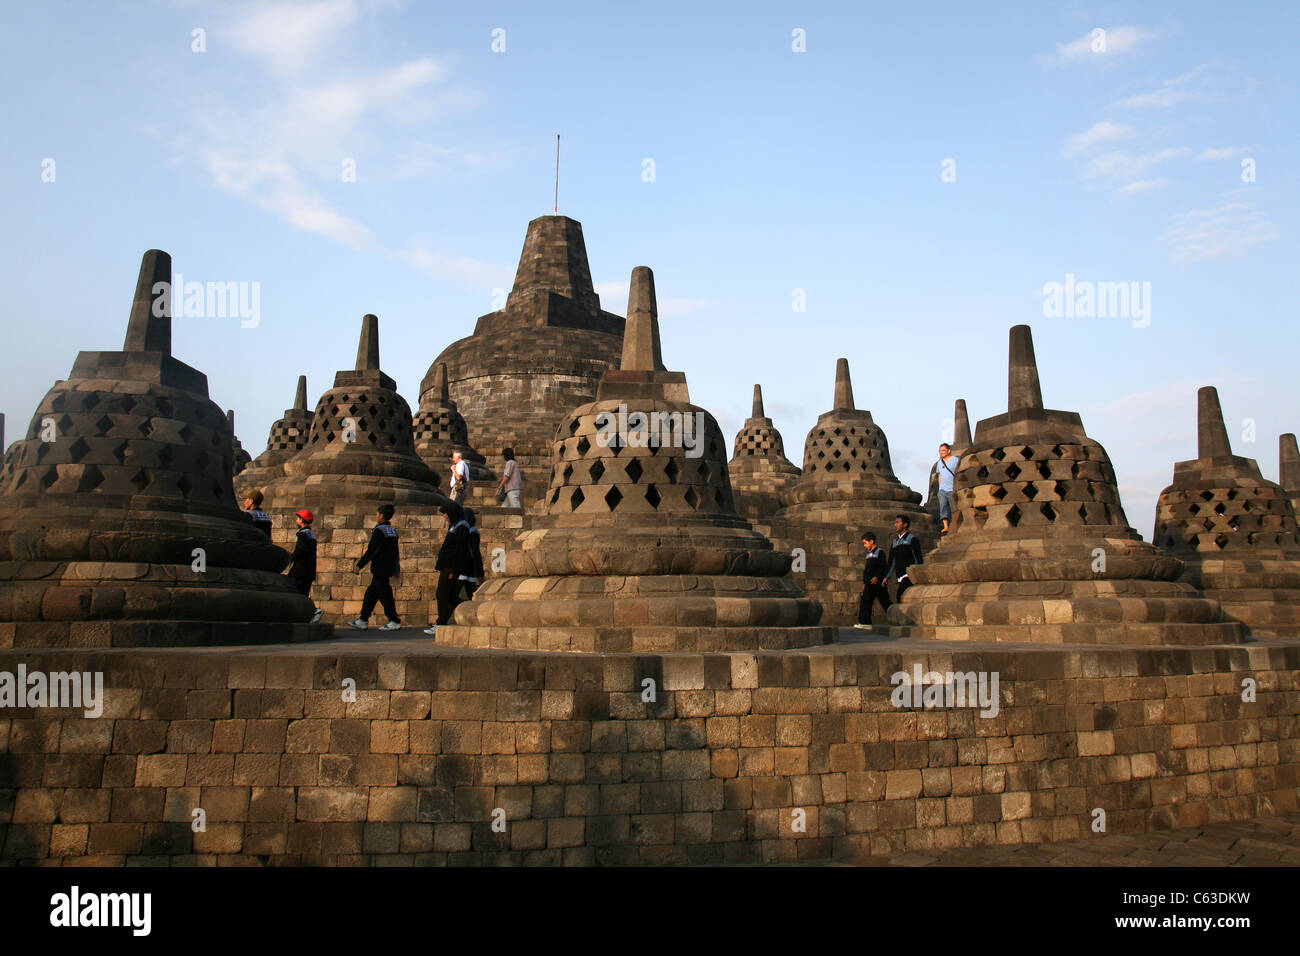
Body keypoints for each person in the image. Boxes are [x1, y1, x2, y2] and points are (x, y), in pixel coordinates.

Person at [348, 504, 402, 630]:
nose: (376, 516)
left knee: (384, 594)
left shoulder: (380, 530)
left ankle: (394, 620)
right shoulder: (392, 530)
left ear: (382, 515)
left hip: (380, 566)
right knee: (372, 593)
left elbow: (372, 549)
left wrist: (360, 565)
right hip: (388, 566)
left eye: (378, 514)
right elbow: (395, 552)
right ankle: (363, 619)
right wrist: (396, 568)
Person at [424, 501, 473, 636]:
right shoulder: (455, 525)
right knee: (450, 597)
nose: (445, 516)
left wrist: (454, 570)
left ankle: (441, 623)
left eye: (446, 513)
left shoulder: (461, 526)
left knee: (443, 594)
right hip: (447, 566)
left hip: (450, 567)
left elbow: (460, 549)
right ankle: (469, 611)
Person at [287, 509, 324, 624]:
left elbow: (301, 550)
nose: (296, 520)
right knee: (302, 593)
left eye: (298, 518)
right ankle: (307, 613)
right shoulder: (310, 533)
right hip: (308, 570)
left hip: (300, 569)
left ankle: (314, 610)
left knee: (293, 591)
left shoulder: (303, 533)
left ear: (302, 520)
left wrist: (291, 557)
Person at [854, 532, 890, 630]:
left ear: (871, 541)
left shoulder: (880, 552)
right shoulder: (868, 554)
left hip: (877, 583)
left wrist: (877, 577)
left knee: (885, 601)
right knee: (865, 602)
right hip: (869, 583)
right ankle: (864, 622)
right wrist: (864, 583)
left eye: (865, 543)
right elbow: (867, 570)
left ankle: (895, 617)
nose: (864, 546)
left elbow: (882, 566)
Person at [884, 514, 924, 603]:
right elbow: (892, 561)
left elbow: (917, 558)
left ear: (905, 525)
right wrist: (887, 576)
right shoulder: (895, 542)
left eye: (898, 522)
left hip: (908, 574)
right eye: (895, 523)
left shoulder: (912, 539)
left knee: (900, 596)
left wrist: (917, 573)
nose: (895, 525)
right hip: (899, 574)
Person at [459, 507, 485, 601]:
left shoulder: (472, 532)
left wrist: (479, 572)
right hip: (466, 570)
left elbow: (474, 553)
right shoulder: (467, 531)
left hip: (466, 570)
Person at [935, 442, 960, 534]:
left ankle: (955, 524)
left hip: (952, 488)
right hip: (942, 489)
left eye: (943, 450)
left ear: (949, 451)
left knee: (954, 507)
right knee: (943, 507)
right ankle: (946, 526)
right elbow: (939, 475)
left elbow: (958, 473)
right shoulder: (939, 463)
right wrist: (940, 487)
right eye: (940, 451)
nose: (941, 452)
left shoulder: (955, 460)